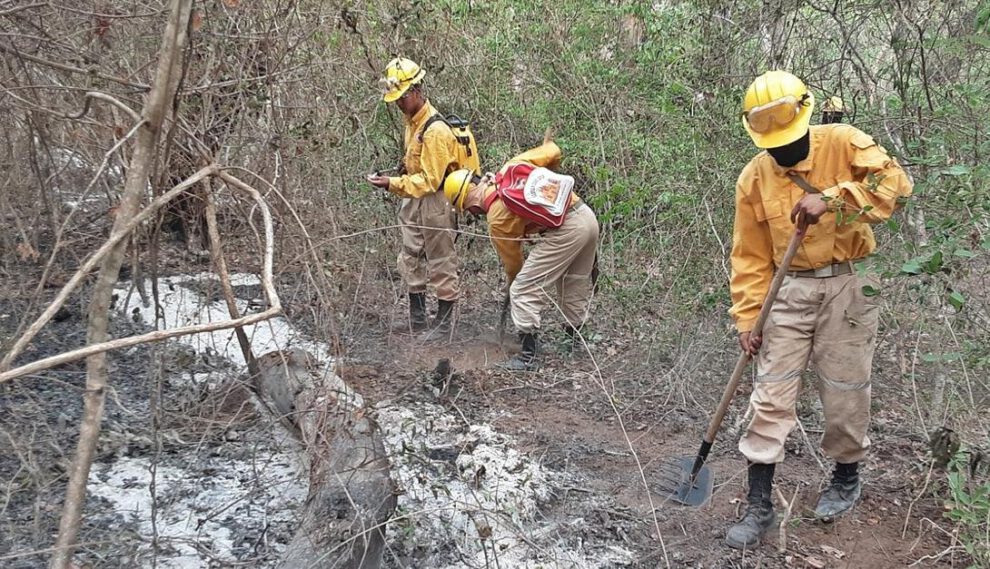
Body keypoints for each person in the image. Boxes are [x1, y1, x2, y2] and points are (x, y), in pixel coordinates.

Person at [725, 70, 912, 549]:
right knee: (770, 393)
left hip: (849, 284)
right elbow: (748, 256)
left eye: (787, 141)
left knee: (845, 387)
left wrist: (830, 199)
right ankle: (759, 503)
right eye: (771, 144)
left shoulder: (844, 142)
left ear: (806, 118)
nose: (780, 151)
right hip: (786, 292)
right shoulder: (753, 177)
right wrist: (749, 317)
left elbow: (895, 185)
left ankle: (846, 476)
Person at [441, 137, 599, 371]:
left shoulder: (496, 218)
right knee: (572, 282)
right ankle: (575, 344)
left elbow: (514, 266)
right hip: (586, 216)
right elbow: (553, 150)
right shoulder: (510, 167)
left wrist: (514, 288)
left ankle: (528, 356)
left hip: (567, 230)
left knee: (523, 289)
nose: (472, 214)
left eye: (467, 210)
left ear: (467, 200)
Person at [367, 57, 480, 336]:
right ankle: (417, 319)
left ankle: (442, 327)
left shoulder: (436, 130)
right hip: (413, 198)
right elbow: (416, 167)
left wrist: (391, 183)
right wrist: (398, 174)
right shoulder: (412, 123)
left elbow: (431, 180)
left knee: (441, 259)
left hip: (437, 201)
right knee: (410, 255)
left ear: (416, 91)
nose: (397, 104)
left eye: (401, 99)